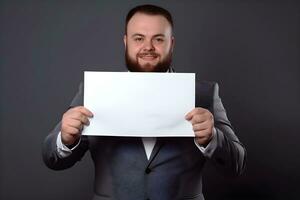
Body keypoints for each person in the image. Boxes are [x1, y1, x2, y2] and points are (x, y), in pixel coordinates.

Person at [42, 4, 246, 200]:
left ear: (171, 44)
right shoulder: (96, 90)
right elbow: (52, 159)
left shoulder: (203, 93)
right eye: (138, 38)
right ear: (126, 42)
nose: (148, 47)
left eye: (158, 39)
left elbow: (237, 164)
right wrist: (66, 139)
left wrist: (212, 138)